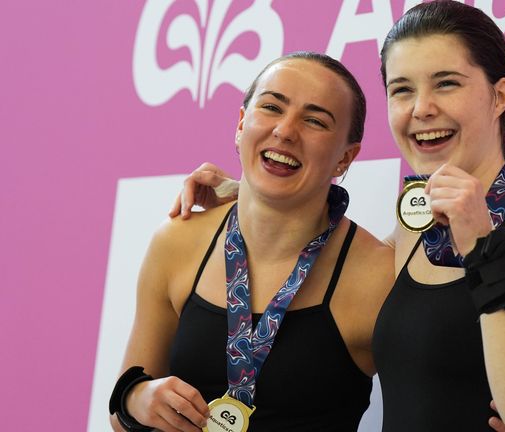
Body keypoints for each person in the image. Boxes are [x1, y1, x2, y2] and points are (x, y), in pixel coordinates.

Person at [172, 1, 505, 431]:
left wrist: (482, 248)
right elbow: (315, 253)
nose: (422, 108)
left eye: (446, 84)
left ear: (499, 95)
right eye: (402, 90)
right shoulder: (412, 234)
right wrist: (248, 193)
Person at [110, 52, 394, 432]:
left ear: (345, 158)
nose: (285, 131)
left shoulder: (378, 276)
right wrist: (138, 399)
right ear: (242, 123)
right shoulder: (177, 242)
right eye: (271, 107)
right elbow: (121, 412)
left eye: (314, 120)